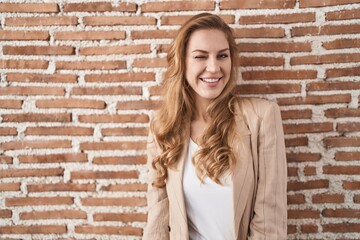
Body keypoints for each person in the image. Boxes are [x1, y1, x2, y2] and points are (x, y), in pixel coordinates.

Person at [143, 13, 287, 240]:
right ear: (183, 62)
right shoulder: (163, 127)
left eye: (222, 55)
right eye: (200, 57)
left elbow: (270, 221)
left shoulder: (261, 117)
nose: (213, 67)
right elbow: (158, 219)